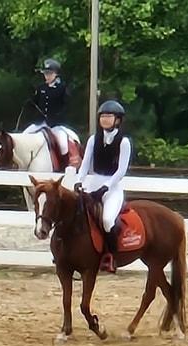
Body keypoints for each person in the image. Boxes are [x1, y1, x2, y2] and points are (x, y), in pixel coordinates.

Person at [75, 99, 135, 273]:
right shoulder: (94, 139)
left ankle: (110, 256)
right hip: (93, 183)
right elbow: (85, 163)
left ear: (117, 120)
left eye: (109, 117)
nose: (105, 119)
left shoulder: (124, 142)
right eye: (103, 116)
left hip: (112, 186)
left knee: (108, 219)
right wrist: (79, 180)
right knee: (75, 214)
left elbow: (121, 170)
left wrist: (107, 186)